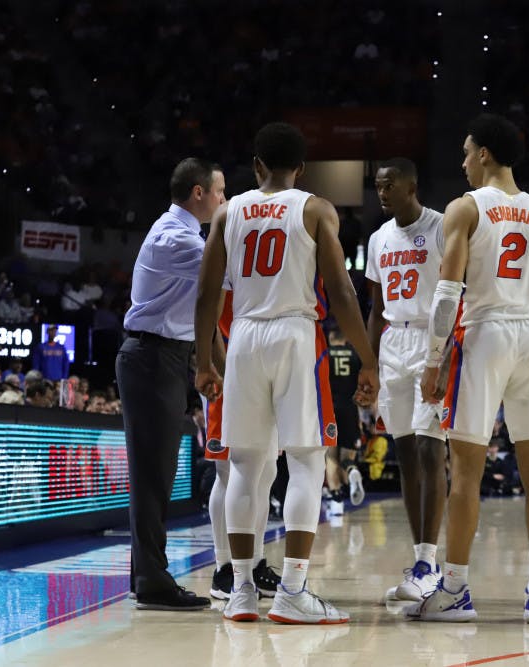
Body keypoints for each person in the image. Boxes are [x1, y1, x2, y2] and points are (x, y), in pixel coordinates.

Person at [194, 122, 379, 624]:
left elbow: (208, 293)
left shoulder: (229, 212)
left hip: (244, 340)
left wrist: (204, 361)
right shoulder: (316, 208)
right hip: (296, 335)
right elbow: (341, 291)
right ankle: (294, 591)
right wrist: (367, 359)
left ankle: (241, 591)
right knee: (305, 462)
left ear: (256, 165)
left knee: (245, 469)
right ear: (302, 168)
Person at [411, 113, 529, 624]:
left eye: (465, 152)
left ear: (484, 153)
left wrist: (433, 361)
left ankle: (455, 589)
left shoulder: (465, 209)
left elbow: (445, 298)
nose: (461, 162)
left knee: (465, 474)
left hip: (485, 333)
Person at [118, 157, 226, 611]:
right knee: (151, 476)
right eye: (220, 192)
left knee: (157, 475)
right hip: (151, 357)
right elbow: (228, 270)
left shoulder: (185, 233)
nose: (225, 200)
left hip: (166, 356)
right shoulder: (175, 238)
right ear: (198, 193)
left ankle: (145, 575)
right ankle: (153, 581)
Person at [364, 157, 447, 602]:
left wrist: (447, 352)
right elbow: (376, 309)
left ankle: (429, 560)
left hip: (431, 342)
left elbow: (457, 294)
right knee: (405, 454)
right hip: (393, 343)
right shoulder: (378, 238)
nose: (382, 193)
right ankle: (421, 559)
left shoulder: (440, 227)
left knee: (432, 449)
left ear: (411, 185)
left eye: (389, 185)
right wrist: (369, 363)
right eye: (378, 186)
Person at [204, 292, 282, 601]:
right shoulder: (223, 249)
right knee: (228, 470)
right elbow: (206, 309)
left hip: (265, 361)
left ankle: (255, 562)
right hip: (231, 362)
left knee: (267, 470)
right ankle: (224, 567)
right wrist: (216, 363)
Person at [324, 324, 365, 516]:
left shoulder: (325, 355)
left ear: (330, 337)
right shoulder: (355, 355)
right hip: (350, 409)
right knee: (347, 457)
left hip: (330, 409)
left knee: (331, 456)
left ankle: (337, 500)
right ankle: (351, 471)